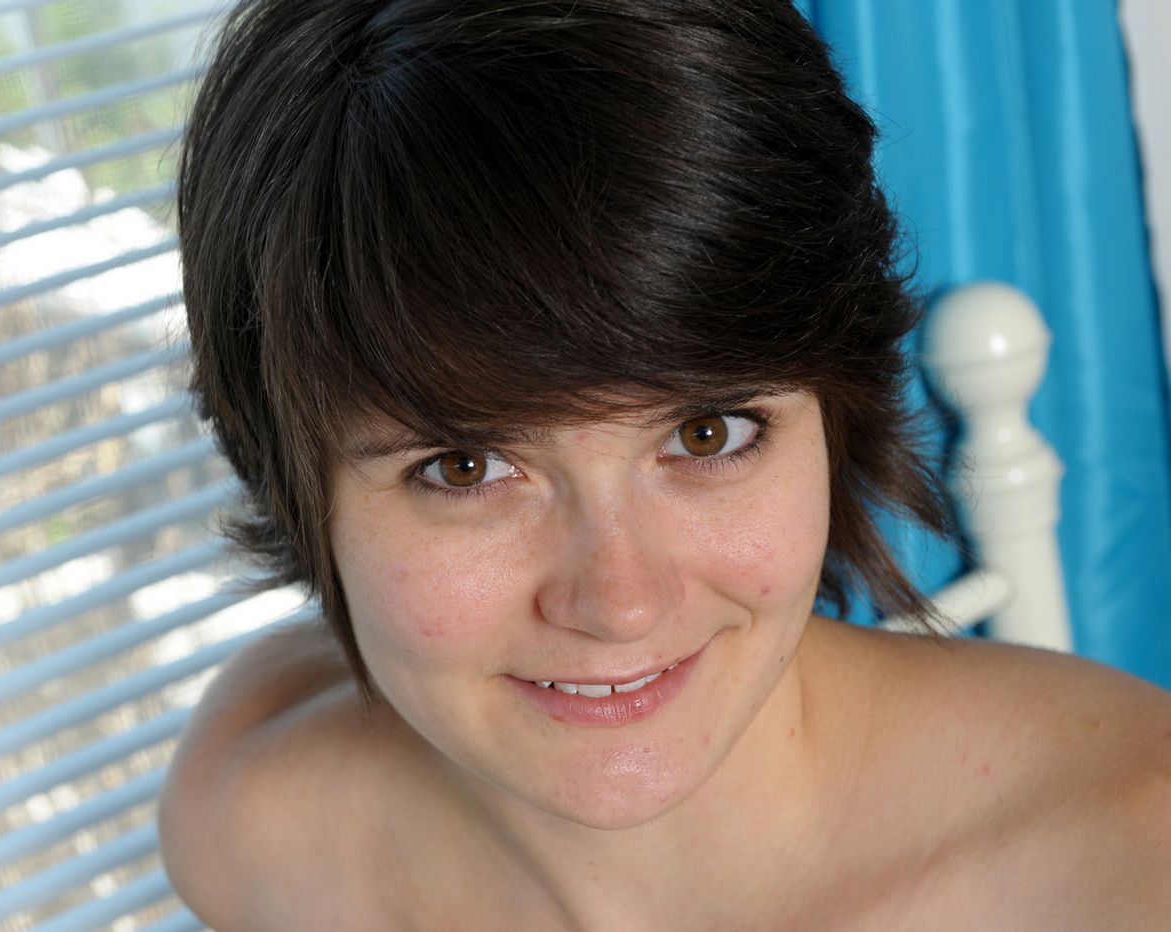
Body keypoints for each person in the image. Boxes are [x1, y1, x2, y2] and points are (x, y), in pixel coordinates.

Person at [158, 0, 1171, 927]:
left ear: (835, 408)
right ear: (292, 480)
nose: (621, 602)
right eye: (465, 467)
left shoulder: (1133, 862)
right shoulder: (257, 825)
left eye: (706, 434)